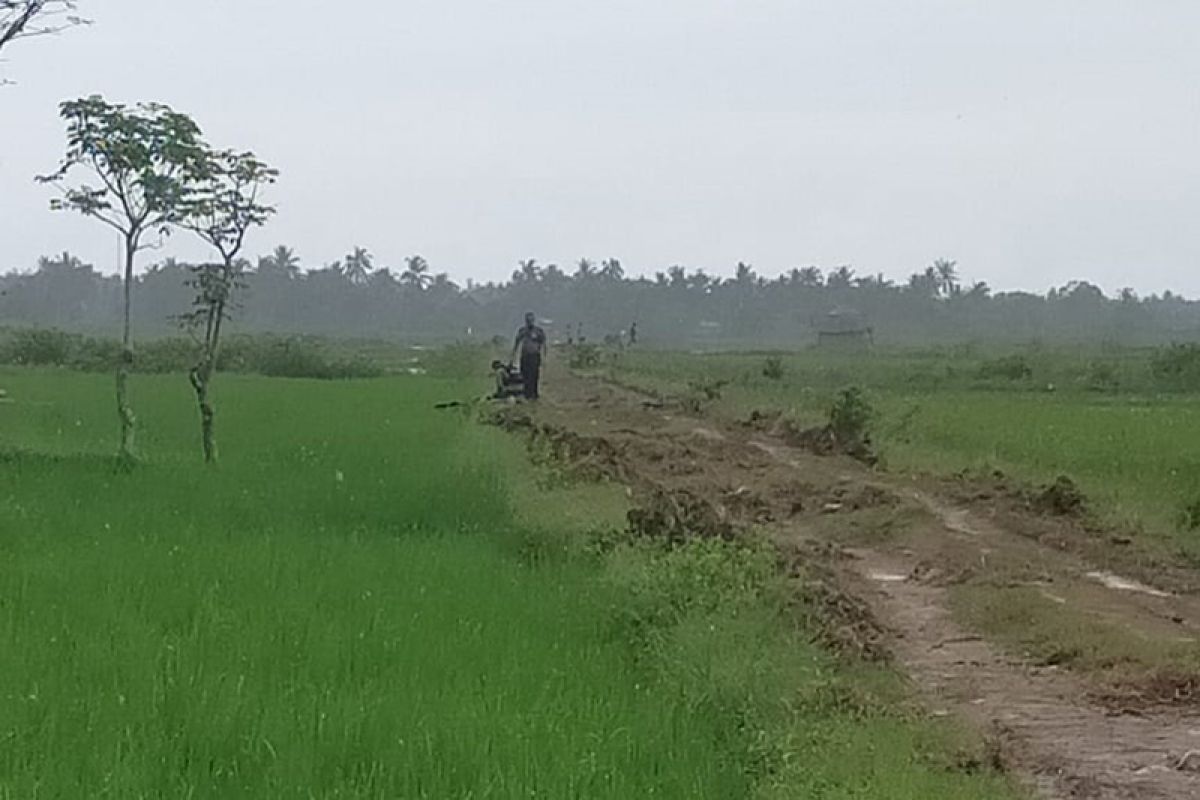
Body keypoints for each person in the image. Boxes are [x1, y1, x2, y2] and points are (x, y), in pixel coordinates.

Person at [510, 312, 547, 400]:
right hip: (525, 357)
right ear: (526, 321)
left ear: (533, 320)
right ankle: (527, 393)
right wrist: (513, 355)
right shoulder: (522, 331)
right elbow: (517, 342)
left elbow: (543, 344)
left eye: (531, 320)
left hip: (534, 356)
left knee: (534, 375)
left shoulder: (538, 331)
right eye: (528, 320)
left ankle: (534, 393)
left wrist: (544, 356)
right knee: (525, 375)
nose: (529, 322)